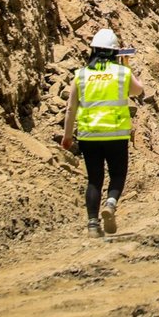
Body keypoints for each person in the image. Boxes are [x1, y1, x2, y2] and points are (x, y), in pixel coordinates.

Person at [61, 27, 143, 238]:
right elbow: (138, 91)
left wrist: (67, 135)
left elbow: (71, 108)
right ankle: (111, 203)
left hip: (89, 136)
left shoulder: (80, 75)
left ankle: (91, 224)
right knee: (117, 174)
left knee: (94, 179)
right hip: (116, 134)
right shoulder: (122, 73)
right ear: (115, 52)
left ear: (93, 50)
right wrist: (126, 65)